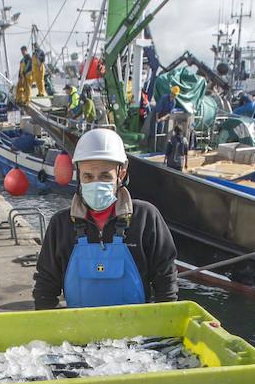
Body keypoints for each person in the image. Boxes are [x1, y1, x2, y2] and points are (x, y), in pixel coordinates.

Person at [33, 128, 178, 309]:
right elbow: (45, 287)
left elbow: (166, 280)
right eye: (88, 176)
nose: (95, 183)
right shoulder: (60, 225)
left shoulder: (146, 218)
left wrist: (168, 322)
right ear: (79, 175)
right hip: (78, 334)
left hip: (137, 333)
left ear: (121, 174)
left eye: (104, 176)